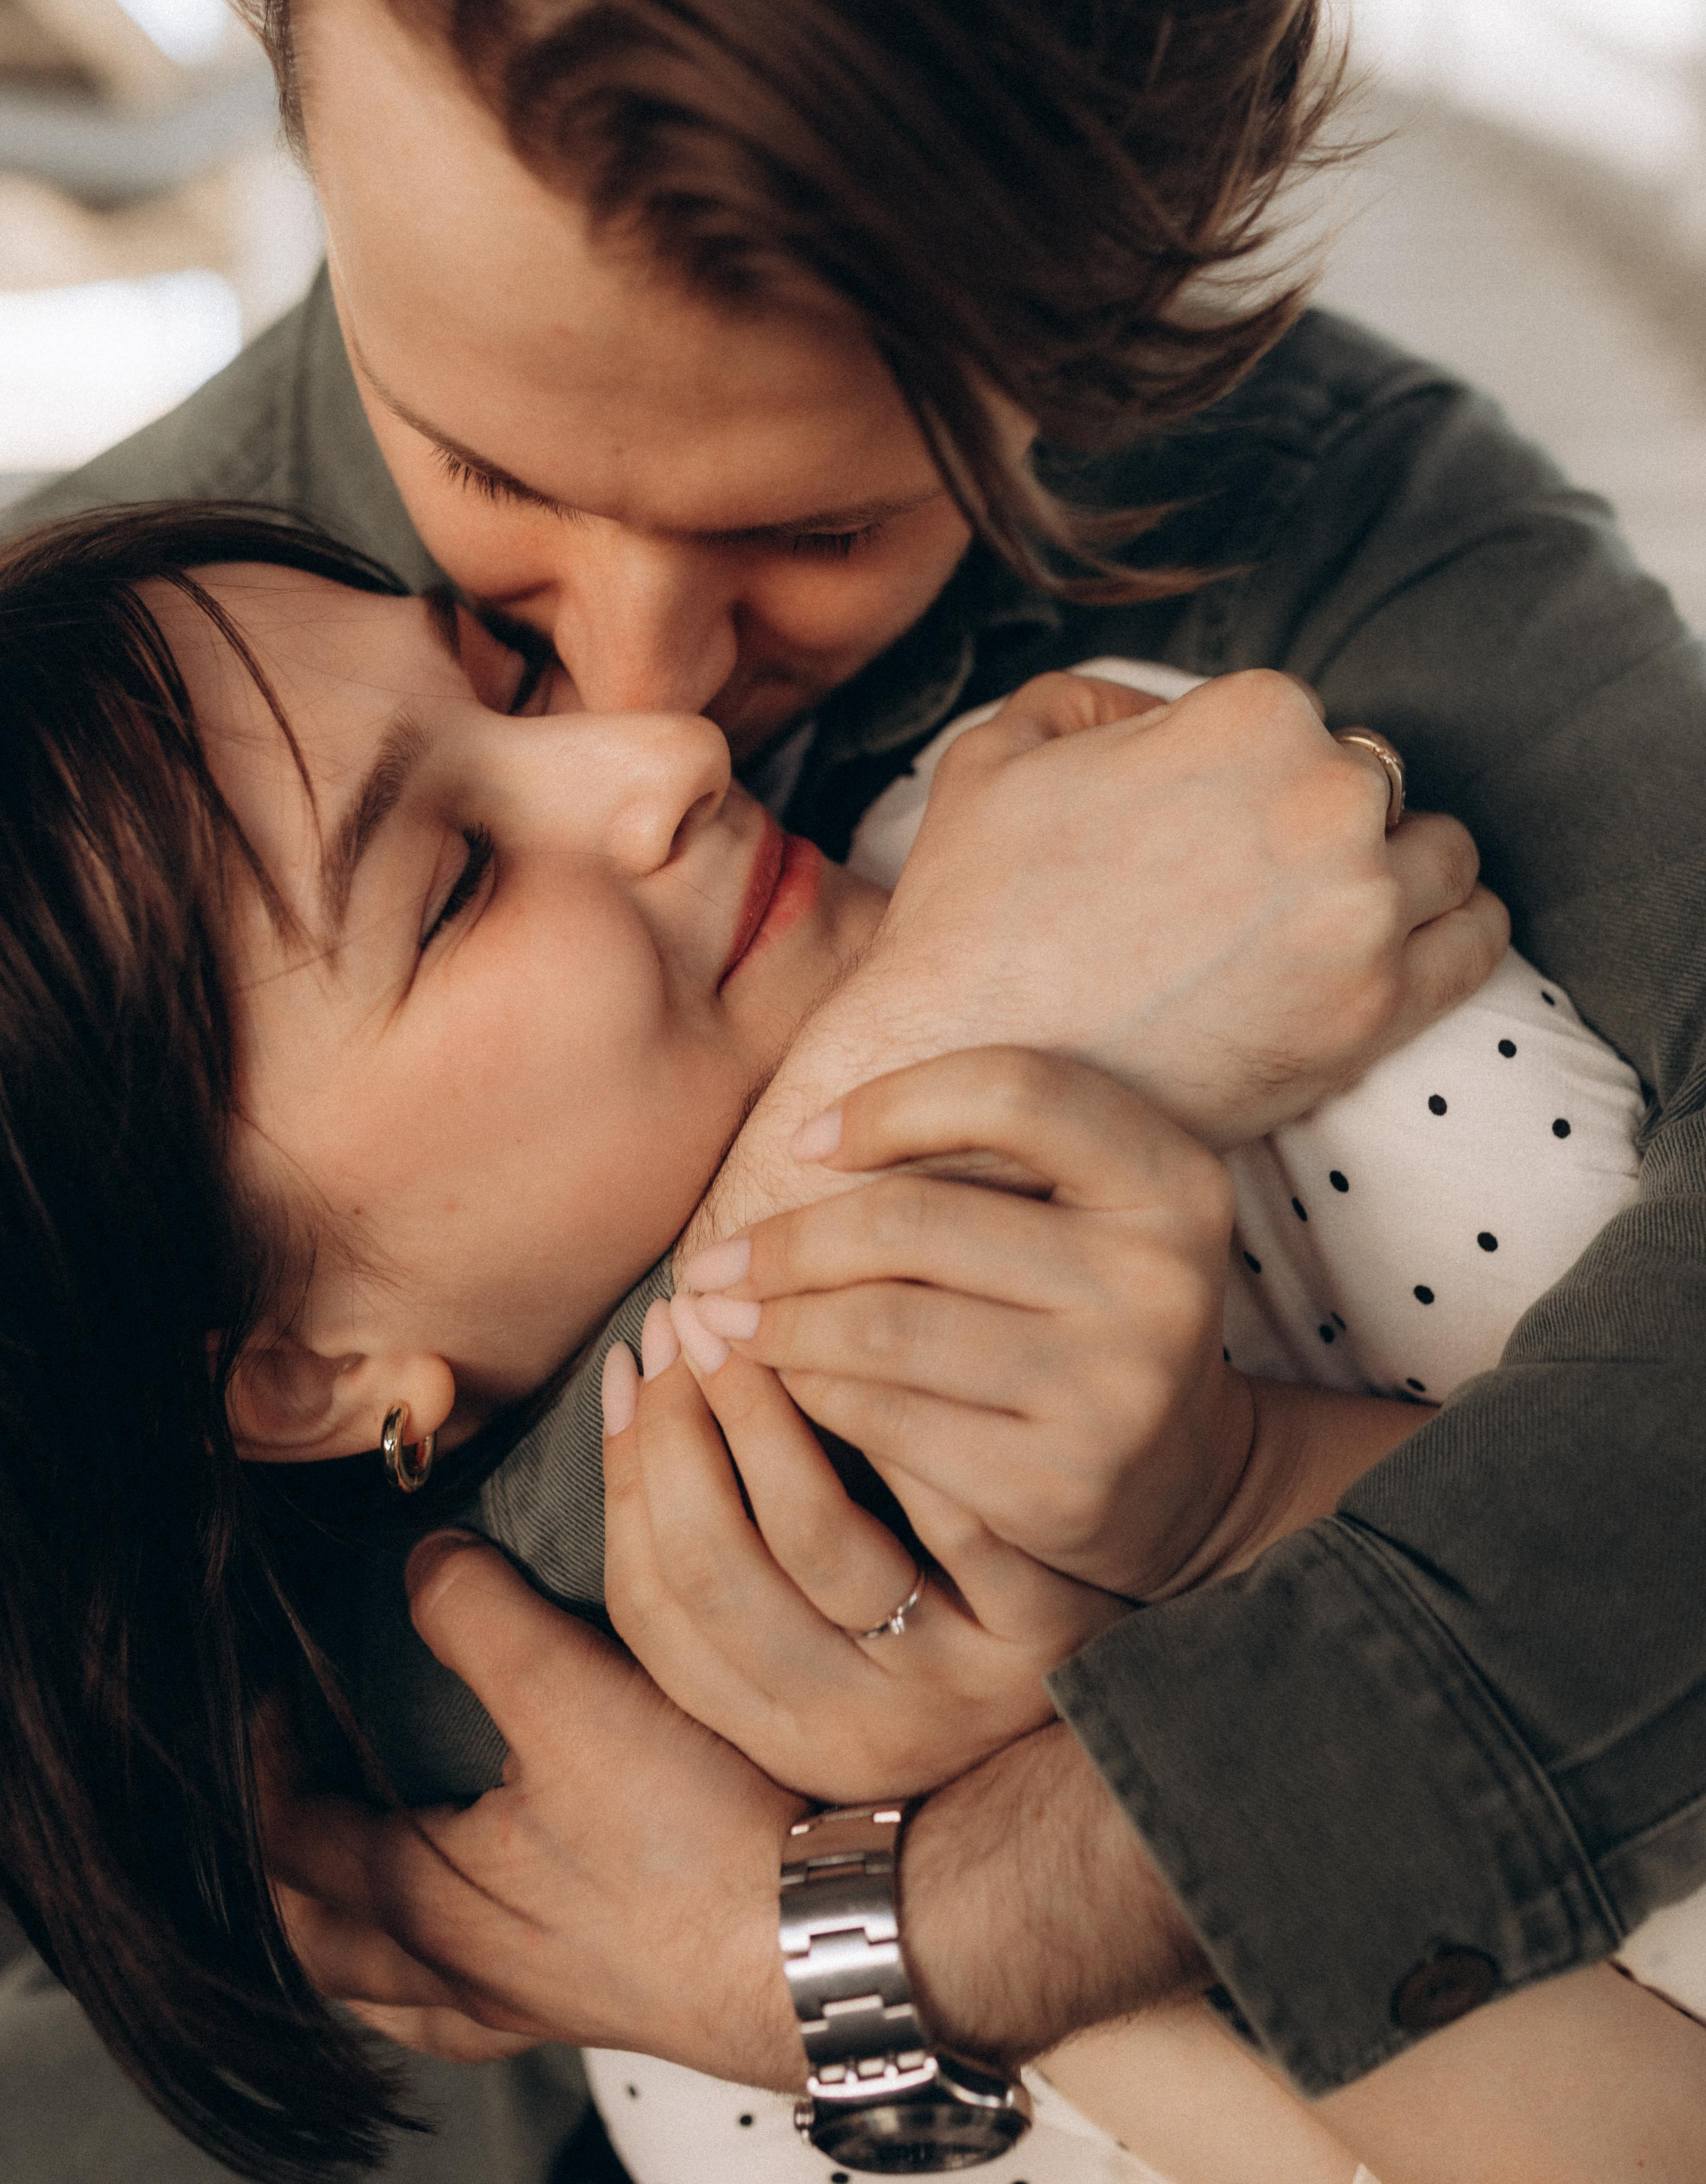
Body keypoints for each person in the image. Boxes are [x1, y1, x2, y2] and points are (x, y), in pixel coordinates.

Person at [7, 0, 1706, 2173]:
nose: (655, 710)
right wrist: (935, 1050)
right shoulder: (92, 732)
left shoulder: (1347, 524)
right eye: (478, 472)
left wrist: (882, 1940)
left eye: (816, 528)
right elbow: (156, 1745)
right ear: (306, 104)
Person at [0, 505, 1698, 2184]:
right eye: (454, 887)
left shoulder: (1150, 862)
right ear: (301, 1374)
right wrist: (927, 1876)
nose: (654, 750)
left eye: (509, 685)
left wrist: (1219, 1515)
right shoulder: (598, 1906)